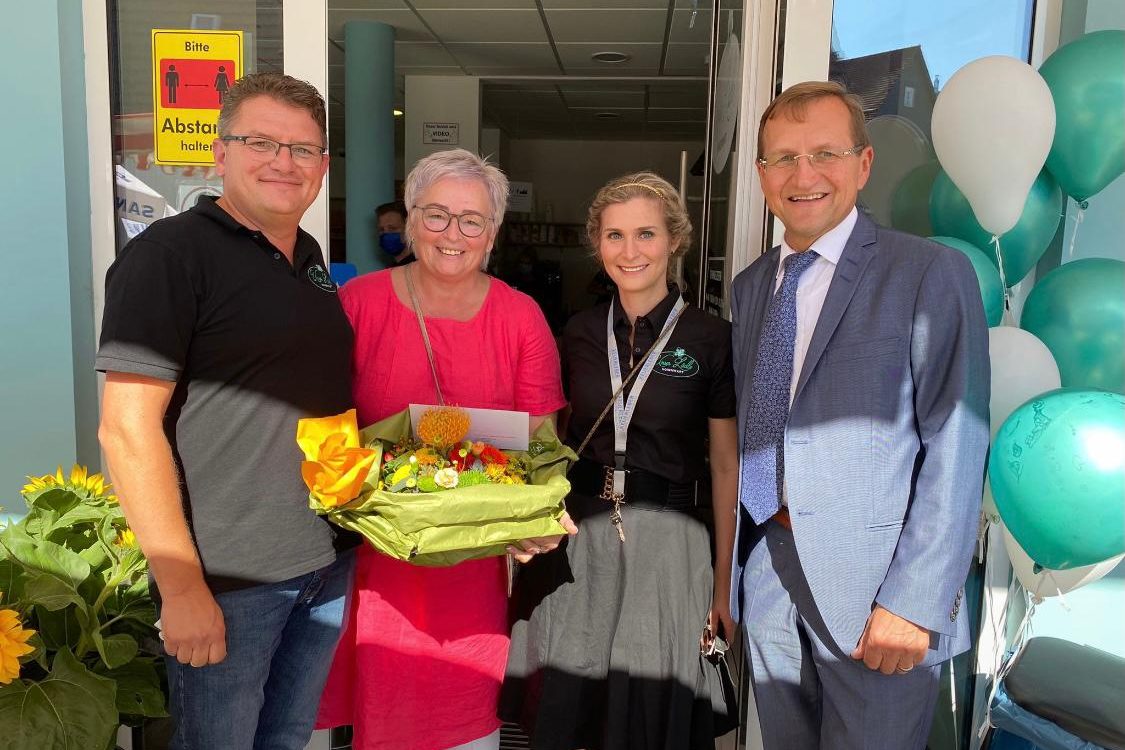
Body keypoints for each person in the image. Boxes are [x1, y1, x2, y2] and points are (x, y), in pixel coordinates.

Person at [96, 73, 355, 749]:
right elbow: (125, 429)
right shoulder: (169, 255)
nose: (283, 162)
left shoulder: (309, 259)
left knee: (286, 740)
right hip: (230, 581)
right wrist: (181, 587)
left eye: (302, 149)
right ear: (220, 152)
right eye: (260, 142)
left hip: (323, 562)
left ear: (323, 166)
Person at [729, 80, 990, 749]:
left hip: (878, 593)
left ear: (864, 163)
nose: (803, 175)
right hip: (769, 568)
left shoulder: (928, 273)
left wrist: (915, 601)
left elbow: (957, 442)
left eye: (825, 153)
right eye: (783, 158)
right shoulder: (751, 287)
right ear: (761, 174)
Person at [317, 148, 573, 750]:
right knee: (378, 710)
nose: (452, 234)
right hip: (376, 561)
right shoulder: (358, 305)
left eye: (472, 220)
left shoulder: (521, 318)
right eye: (436, 215)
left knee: (467, 720)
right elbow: (325, 428)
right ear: (410, 221)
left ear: (493, 233)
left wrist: (538, 517)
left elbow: (540, 446)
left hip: (475, 564)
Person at [501, 172, 740, 749]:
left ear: (674, 240)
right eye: (614, 236)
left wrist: (723, 585)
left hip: (670, 544)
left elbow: (725, 466)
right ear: (598, 244)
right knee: (570, 702)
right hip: (579, 535)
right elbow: (549, 441)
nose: (630, 251)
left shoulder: (712, 338)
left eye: (645, 234)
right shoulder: (578, 332)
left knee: (650, 710)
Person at [376, 200, 413, 264]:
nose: (385, 233)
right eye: (381, 229)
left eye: (392, 228)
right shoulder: (393, 267)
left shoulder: (422, 266)